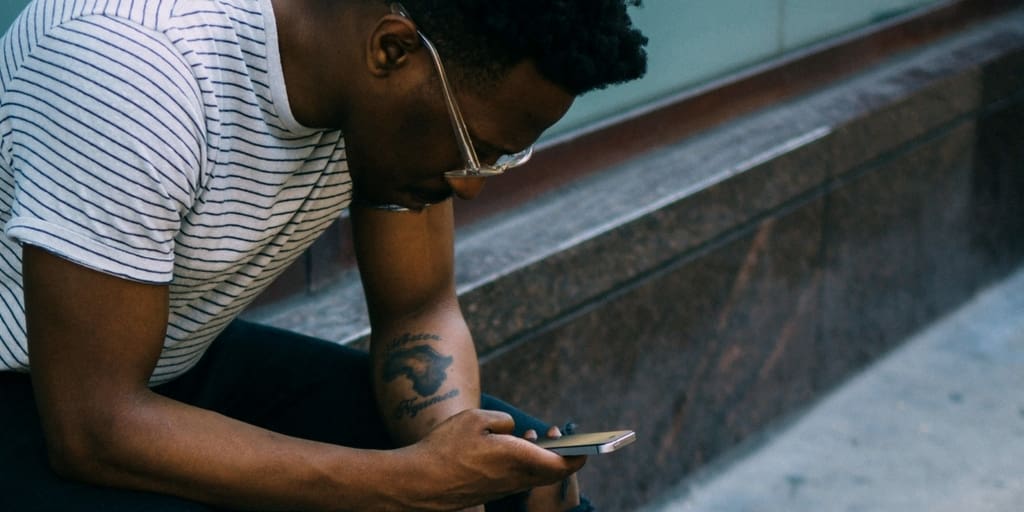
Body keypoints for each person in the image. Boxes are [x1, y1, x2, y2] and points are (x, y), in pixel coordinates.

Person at [0, 0, 647, 510]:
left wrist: (458, 480)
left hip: (172, 358)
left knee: (522, 489)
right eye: (474, 147)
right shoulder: (133, 70)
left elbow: (418, 310)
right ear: (391, 49)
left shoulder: (389, 91)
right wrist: (410, 484)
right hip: (47, 396)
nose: (471, 185)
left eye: (500, 158)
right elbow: (94, 429)